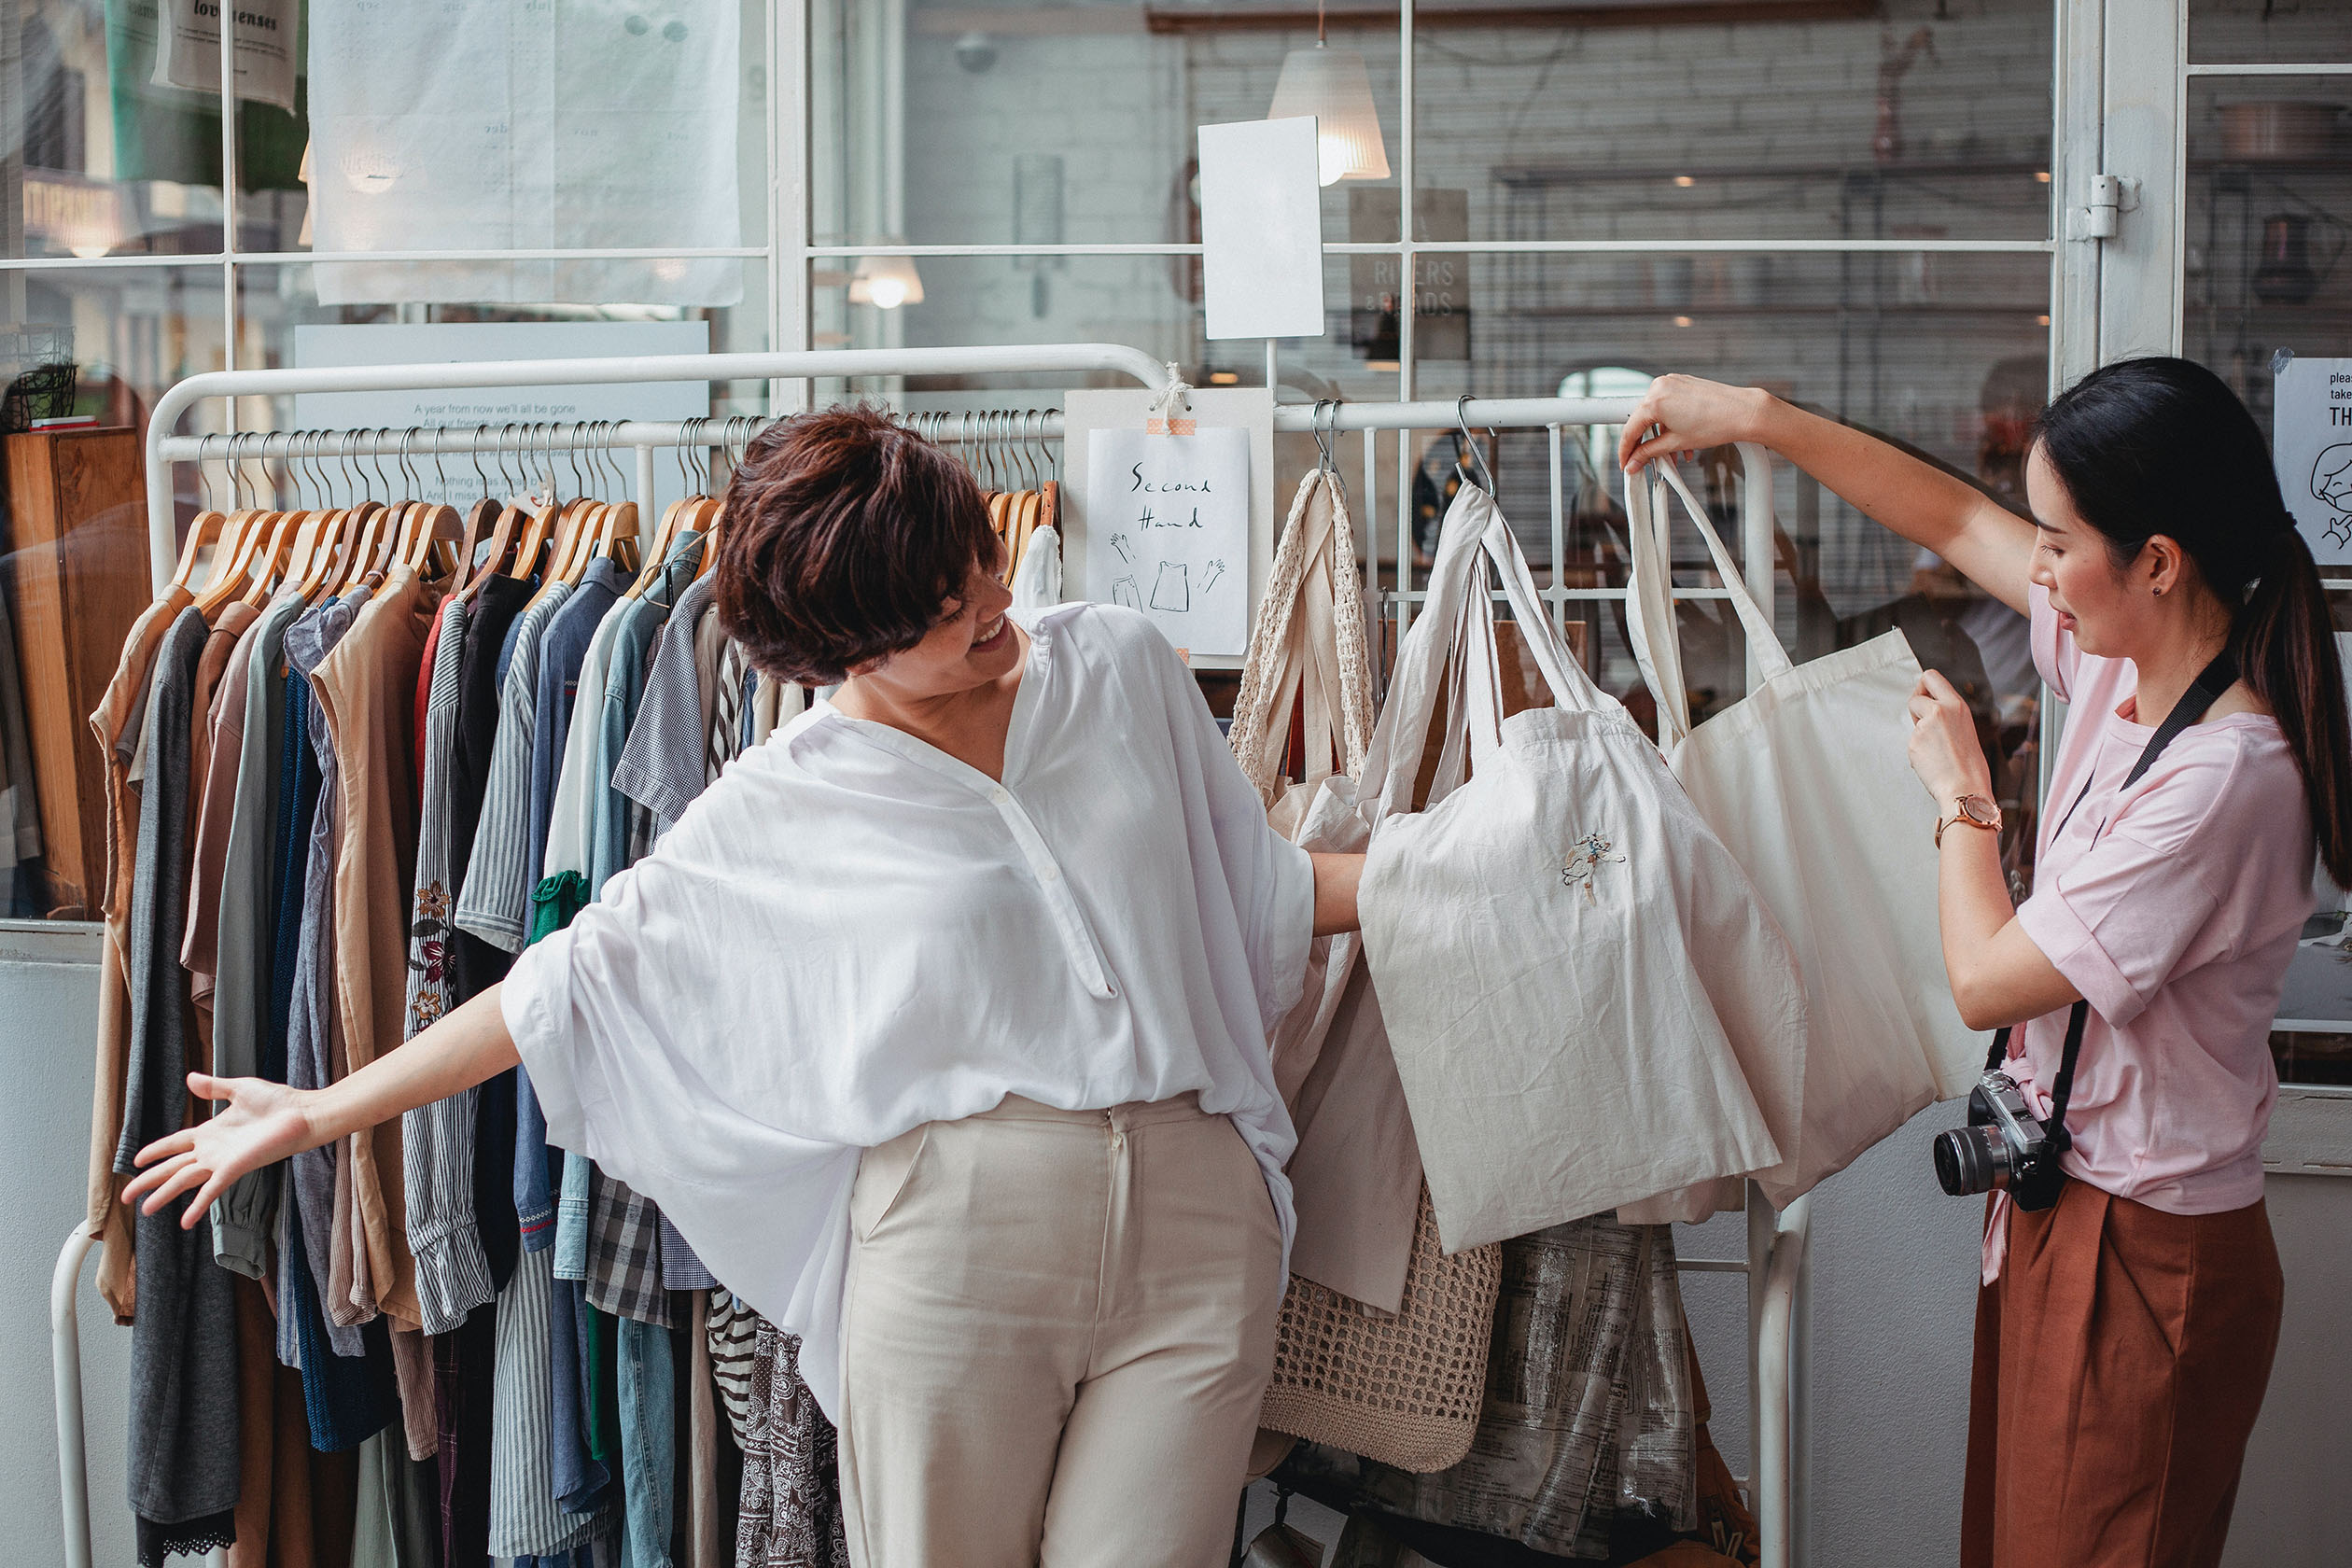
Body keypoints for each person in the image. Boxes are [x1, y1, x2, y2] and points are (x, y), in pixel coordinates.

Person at [124, 405, 1368, 1568]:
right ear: (840, 652)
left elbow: (1249, 885)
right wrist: (322, 1112)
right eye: (938, 607)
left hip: (1198, 1227)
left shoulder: (1119, 668)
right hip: (961, 1243)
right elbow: (569, 987)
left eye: (978, 556)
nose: (989, 601)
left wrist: (1471, 875)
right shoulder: (785, 801)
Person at [1622, 357, 2351, 1568]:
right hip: (2073, 1203)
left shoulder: (2225, 778)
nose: (2041, 574)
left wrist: (1965, 801)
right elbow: (1959, 517)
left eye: (2061, 546)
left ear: (2158, 561)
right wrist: (1760, 421)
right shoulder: (2135, 659)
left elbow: (1987, 978)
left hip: (2144, 1244)